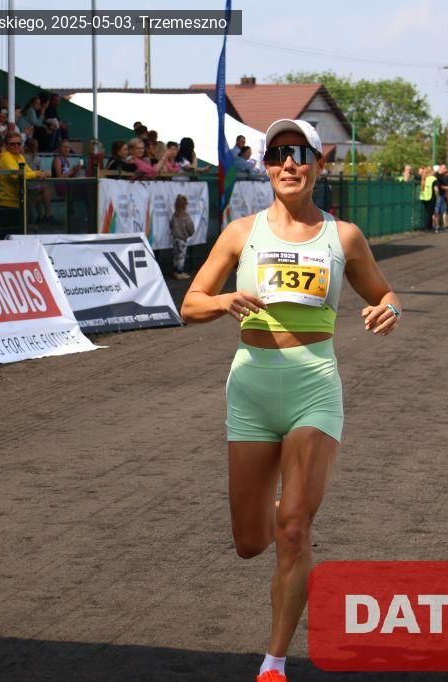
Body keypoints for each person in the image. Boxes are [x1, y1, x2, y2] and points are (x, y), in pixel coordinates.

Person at [180, 119, 401, 682]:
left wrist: (389, 310)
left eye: (300, 153)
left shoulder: (343, 237)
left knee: (295, 530)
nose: (288, 164)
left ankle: (274, 663)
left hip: (313, 387)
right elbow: (191, 302)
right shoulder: (241, 233)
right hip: (251, 389)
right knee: (250, 542)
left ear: (319, 165)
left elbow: (384, 293)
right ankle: (283, 511)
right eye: (278, 154)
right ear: (266, 166)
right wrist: (224, 300)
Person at [0, 131, 50, 234]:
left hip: (18, 201)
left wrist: (40, 173)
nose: (16, 146)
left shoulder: (19, 156)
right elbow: (16, 174)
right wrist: (38, 174)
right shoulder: (5, 157)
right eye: (12, 144)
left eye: (18, 143)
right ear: (6, 145)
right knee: (8, 236)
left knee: (18, 234)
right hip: (7, 203)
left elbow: (28, 172)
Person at [170, 194, 195, 279]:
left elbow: (171, 225)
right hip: (182, 239)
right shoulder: (185, 216)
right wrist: (189, 234)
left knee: (176, 255)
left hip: (175, 238)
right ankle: (179, 272)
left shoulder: (174, 215)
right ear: (185, 205)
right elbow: (190, 227)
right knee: (181, 256)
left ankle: (175, 271)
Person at [419, 166, 436, 231]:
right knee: (430, 213)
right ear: (431, 171)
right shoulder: (433, 178)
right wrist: (437, 196)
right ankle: (429, 227)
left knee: (426, 212)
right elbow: (436, 189)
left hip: (424, 197)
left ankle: (425, 226)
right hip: (431, 197)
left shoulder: (424, 178)